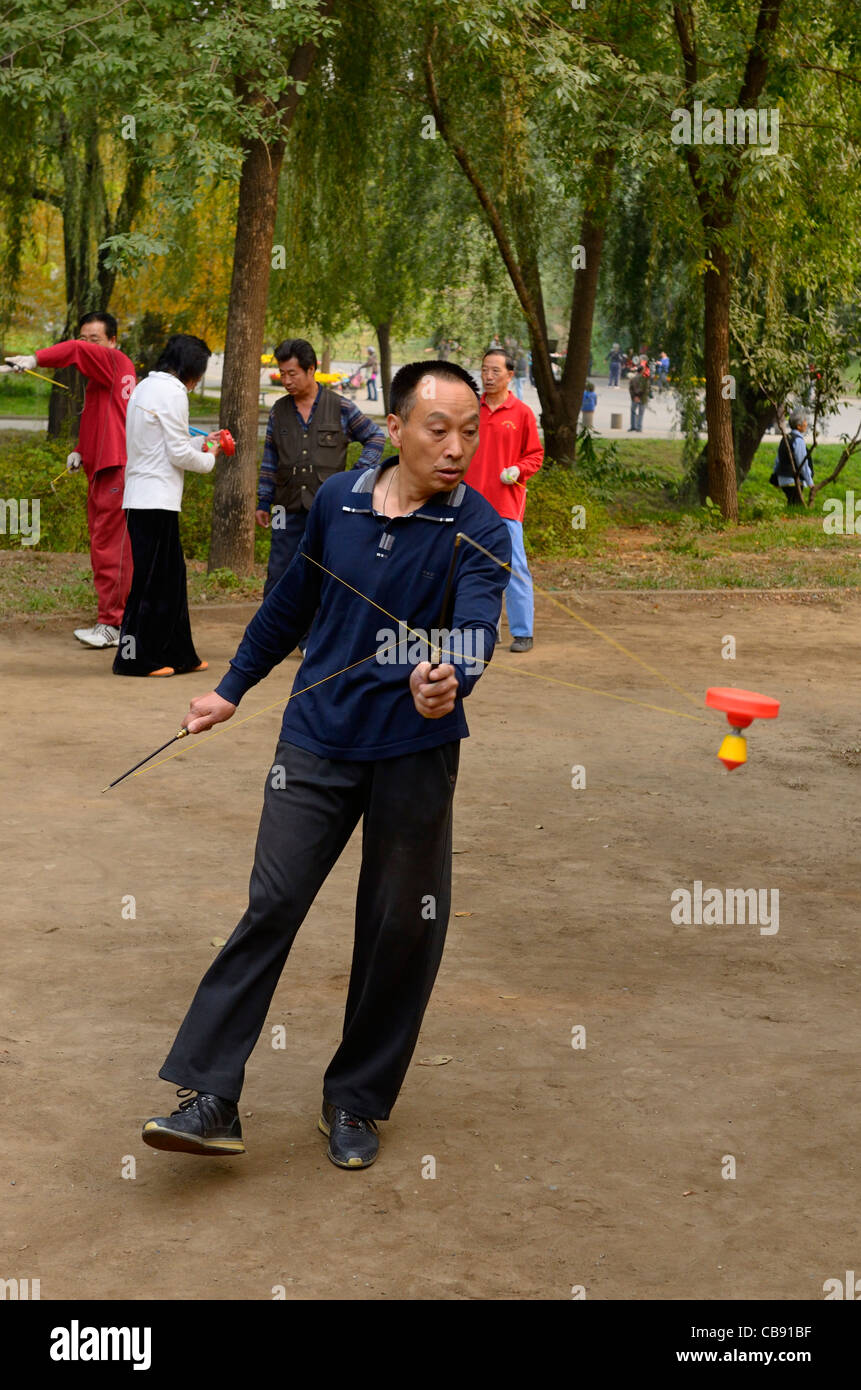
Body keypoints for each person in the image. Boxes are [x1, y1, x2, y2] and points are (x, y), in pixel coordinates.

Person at [139, 359, 511, 1170]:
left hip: (415, 751)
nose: (456, 449)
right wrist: (232, 688)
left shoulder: (476, 527)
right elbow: (290, 606)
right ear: (399, 427)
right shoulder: (339, 501)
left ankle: (355, 1100)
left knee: (397, 929)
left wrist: (448, 677)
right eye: (439, 431)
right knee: (270, 904)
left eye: (469, 434)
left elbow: (476, 628)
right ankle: (208, 1095)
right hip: (314, 740)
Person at [5, 313, 135, 649]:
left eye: (95, 339)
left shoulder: (115, 361)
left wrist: (34, 358)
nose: (89, 345)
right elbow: (101, 420)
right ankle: (117, 620)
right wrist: (81, 451)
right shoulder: (102, 376)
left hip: (116, 468)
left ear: (112, 341)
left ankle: (113, 623)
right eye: (85, 337)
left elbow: (76, 350)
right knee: (102, 544)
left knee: (110, 548)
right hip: (104, 466)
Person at [113, 334, 225, 678]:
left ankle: (179, 654)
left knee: (171, 578)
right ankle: (133, 660)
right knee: (151, 582)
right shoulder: (174, 393)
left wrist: (200, 442)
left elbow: (167, 444)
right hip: (154, 500)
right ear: (191, 369)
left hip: (144, 497)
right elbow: (177, 454)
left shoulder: (146, 387)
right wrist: (210, 457)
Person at [256, 338, 385, 603]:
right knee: (278, 572)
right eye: (282, 374)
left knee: (322, 571)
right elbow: (270, 457)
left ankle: (314, 638)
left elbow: (375, 437)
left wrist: (356, 476)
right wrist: (263, 501)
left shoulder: (341, 407)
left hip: (327, 507)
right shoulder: (278, 411)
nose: (287, 380)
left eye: (293, 373)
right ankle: (272, 634)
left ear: (311, 369)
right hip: (283, 507)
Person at [463, 349, 544, 652]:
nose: (488, 376)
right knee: (473, 567)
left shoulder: (521, 413)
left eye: (495, 371)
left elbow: (535, 456)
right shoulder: (472, 409)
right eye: (485, 369)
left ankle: (523, 632)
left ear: (510, 375)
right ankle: (486, 628)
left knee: (515, 567)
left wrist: (518, 469)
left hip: (506, 504)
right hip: (470, 503)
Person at [771, 409, 813, 506]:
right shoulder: (799, 441)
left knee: (792, 502)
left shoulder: (786, 438)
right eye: (805, 422)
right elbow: (802, 463)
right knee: (796, 505)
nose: (806, 424)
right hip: (793, 479)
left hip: (783, 479)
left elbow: (778, 459)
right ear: (799, 426)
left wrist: (776, 476)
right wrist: (810, 481)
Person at [628, 363, 650, 431]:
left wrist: (635, 396)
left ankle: (633, 426)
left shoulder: (632, 379)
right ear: (642, 371)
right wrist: (640, 396)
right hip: (642, 398)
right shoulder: (645, 379)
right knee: (641, 413)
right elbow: (646, 389)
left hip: (634, 398)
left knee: (633, 412)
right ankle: (639, 427)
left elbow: (630, 389)